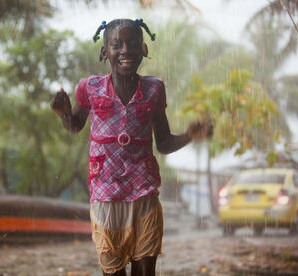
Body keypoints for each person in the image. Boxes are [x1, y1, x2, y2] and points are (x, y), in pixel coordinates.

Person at [51, 18, 213, 276]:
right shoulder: (90, 88)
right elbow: (75, 126)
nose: (126, 50)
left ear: (144, 49)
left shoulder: (154, 89)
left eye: (133, 44)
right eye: (117, 44)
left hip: (144, 192)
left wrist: (190, 135)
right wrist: (64, 114)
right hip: (105, 195)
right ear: (105, 52)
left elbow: (164, 142)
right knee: (113, 271)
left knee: (145, 272)